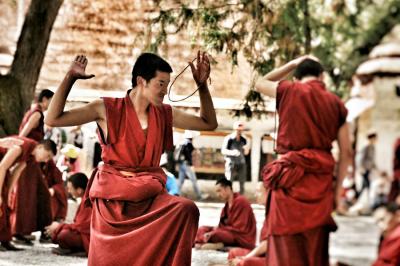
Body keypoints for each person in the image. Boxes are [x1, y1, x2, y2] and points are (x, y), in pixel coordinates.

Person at [45, 52, 217, 265]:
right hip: (114, 201)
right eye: (161, 84)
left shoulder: (164, 113)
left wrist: (202, 86)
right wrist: (70, 78)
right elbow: (52, 119)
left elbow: (209, 123)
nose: (165, 91)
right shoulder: (106, 109)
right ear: (141, 81)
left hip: (148, 196)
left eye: (167, 84)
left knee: (186, 209)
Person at [255, 56, 352, 265]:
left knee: (285, 250)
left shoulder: (289, 90)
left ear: (297, 77)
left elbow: (259, 83)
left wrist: (292, 64)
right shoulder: (336, 103)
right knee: (314, 251)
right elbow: (347, 152)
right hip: (320, 184)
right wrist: (337, 194)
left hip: (289, 180)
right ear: (322, 76)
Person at [0, 137, 56, 249]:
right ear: (40, 147)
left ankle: (5, 240)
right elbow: (2, 167)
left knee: (5, 205)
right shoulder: (20, 147)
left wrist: (8, 194)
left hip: (3, 172)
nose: (46, 160)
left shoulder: (30, 156)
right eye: (48, 155)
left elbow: (17, 171)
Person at [195, 177, 256, 250]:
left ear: (227, 189)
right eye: (217, 192)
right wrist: (217, 229)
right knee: (202, 229)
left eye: (219, 191)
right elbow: (222, 224)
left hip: (241, 237)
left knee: (215, 234)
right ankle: (206, 242)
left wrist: (218, 230)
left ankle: (200, 242)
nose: (218, 194)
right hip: (229, 232)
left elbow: (239, 229)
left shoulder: (241, 201)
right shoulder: (227, 205)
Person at [46, 172, 91, 256]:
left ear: (79, 190)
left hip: (89, 237)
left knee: (63, 235)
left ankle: (79, 250)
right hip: (83, 233)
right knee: (61, 232)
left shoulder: (88, 201)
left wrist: (59, 226)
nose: (69, 191)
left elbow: (82, 226)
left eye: (70, 189)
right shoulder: (84, 198)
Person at [228, 183, 268, 266]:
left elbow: (268, 243)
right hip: (264, 254)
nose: (255, 195)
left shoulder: (276, 212)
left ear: (268, 193)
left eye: (258, 191)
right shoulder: (268, 212)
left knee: (245, 262)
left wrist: (246, 257)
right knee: (234, 253)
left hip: (275, 258)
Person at [221, 121, 250, 194]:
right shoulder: (229, 138)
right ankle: (228, 197)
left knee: (242, 182)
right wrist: (232, 152)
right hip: (231, 163)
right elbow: (223, 150)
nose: (239, 131)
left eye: (241, 130)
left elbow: (246, 153)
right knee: (229, 182)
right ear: (235, 129)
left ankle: (241, 199)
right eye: (238, 130)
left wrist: (247, 149)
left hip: (241, 162)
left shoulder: (244, 139)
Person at [176, 130, 204, 200]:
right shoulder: (188, 143)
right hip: (187, 164)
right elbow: (189, 155)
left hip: (181, 163)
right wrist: (191, 165)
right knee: (194, 180)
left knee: (180, 181)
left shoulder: (181, 142)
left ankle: (175, 194)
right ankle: (199, 196)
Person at [358, 132, 378, 197]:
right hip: (364, 169)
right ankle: (362, 198)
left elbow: (372, 160)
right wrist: (361, 168)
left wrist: (376, 168)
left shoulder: (373, 148)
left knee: (365, 185)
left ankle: (361, 198)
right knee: (367, 184)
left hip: (369, 169)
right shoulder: (366, 147)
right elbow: (361, 159)